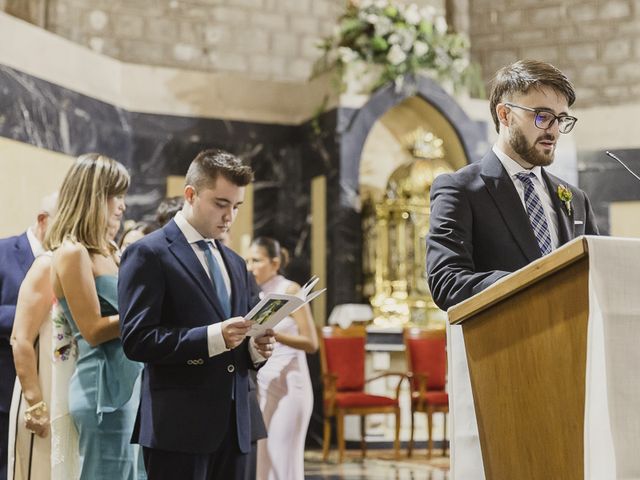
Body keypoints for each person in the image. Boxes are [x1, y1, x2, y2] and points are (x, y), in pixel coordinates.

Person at [118, 148, 275, 480]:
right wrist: (212, 337)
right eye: (221, 204)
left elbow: (242, 339)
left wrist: (255, 349)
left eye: (236, 206)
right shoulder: (148, 253)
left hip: (236, 426)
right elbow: (137, 341)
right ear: (190, 194)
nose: (230, 216)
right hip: (178, 428)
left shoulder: (234, 262)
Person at [426, 59, 599, 310]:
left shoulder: (575, 198)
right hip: (504, 341)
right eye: (542, 116)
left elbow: (594, 274)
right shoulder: (460, 190)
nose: (553, 131)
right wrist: (531, 283)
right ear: (504, 114)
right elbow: (447, 282)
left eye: (561, 119)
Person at [45, 153, 144, 479]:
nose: (123, 205)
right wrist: (148, 317)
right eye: (116, 195)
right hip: (103, 392)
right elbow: (92, 330)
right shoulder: (73, 253)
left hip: (127, 385)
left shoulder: (108, 250)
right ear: (92, 196)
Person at [246, 237, 318, 480]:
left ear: (275, 263)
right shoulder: (254, 293)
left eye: (256, 260)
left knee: (283, 454)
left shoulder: (289, 289)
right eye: (248, 260)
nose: (250, 266)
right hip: (262, 381)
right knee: (262, 457)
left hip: (290, 384)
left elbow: (311, 342)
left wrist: (274, 333)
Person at [0, 193, 56, 480]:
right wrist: (29, 316)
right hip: (5, 379)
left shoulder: (65, 261)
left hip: (47, 383)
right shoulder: (4, 251)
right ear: (43, 220)